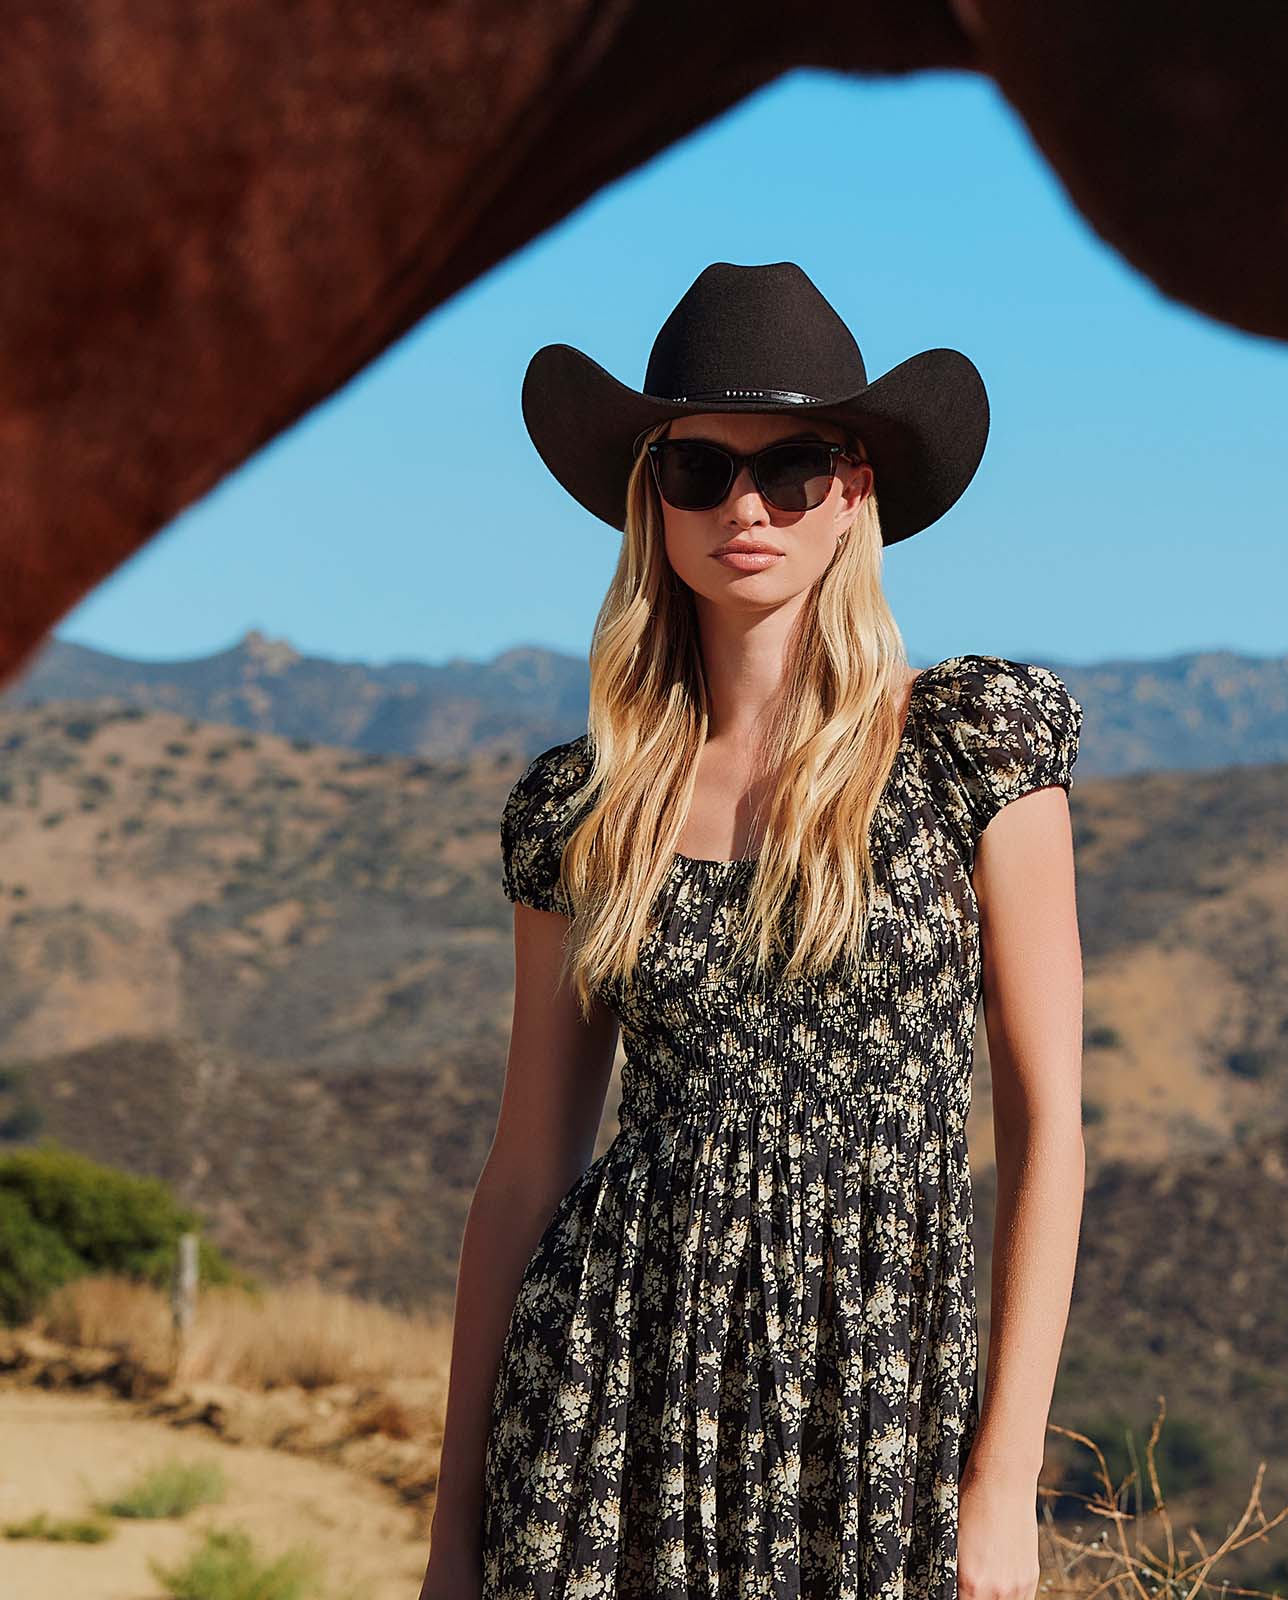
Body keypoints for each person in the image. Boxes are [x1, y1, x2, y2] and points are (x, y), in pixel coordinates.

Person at [421, 261, 1088, 1600]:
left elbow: (1048, 1125)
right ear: (649, 501)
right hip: (605, 1396)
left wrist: (1004, 1480)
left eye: (795, 467)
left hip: (875, 1400)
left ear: (856, 495)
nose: (748, 506)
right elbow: (526, 1171)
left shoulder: (971, 743)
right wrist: (452, 1537)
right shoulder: (580, 807)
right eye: (700, 470)